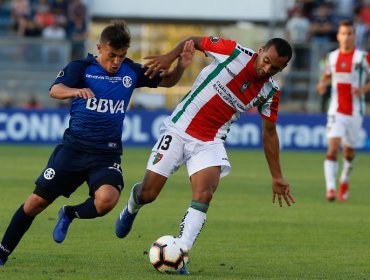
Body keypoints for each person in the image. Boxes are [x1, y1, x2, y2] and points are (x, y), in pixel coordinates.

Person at [0, 20, 194, 266]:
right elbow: (55, 90)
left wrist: (181, 67)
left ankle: (70, 213)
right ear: (99, 47)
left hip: (106, 154)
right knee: (35, 203)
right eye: (112, 55)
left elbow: (166, 82)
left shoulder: (130, 71)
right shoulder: (81, 68)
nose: (116, 62)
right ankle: (2, 252)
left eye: (121, 56)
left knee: (106, 201)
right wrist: (75, 91)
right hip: (73, 149)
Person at [115, 35, 296, 274]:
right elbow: (194, 40)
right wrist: (170, 57)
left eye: (275, 68)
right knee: (148, 193)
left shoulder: (270, 91)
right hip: (179, 129)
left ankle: (181, 252)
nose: (267, 69)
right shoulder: (232, 52)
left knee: (205, 193)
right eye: (266, 61)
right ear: (260, 50)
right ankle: (131, 208)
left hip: (210, 141)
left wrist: (277, 176)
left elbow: (270, 133)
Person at [316, 20, 370, 202]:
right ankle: (330, 189)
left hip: (356, 110)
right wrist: (322, 84)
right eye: (343, 33)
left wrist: (363, 89)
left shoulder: (363, 58)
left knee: (348, 152)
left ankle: (344, 179)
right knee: (332, 148)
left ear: (354, 36)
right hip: (336, 110)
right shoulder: (331, 57)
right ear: (338, 36)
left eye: (349, 34)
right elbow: (326, 77)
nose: (346, 37)